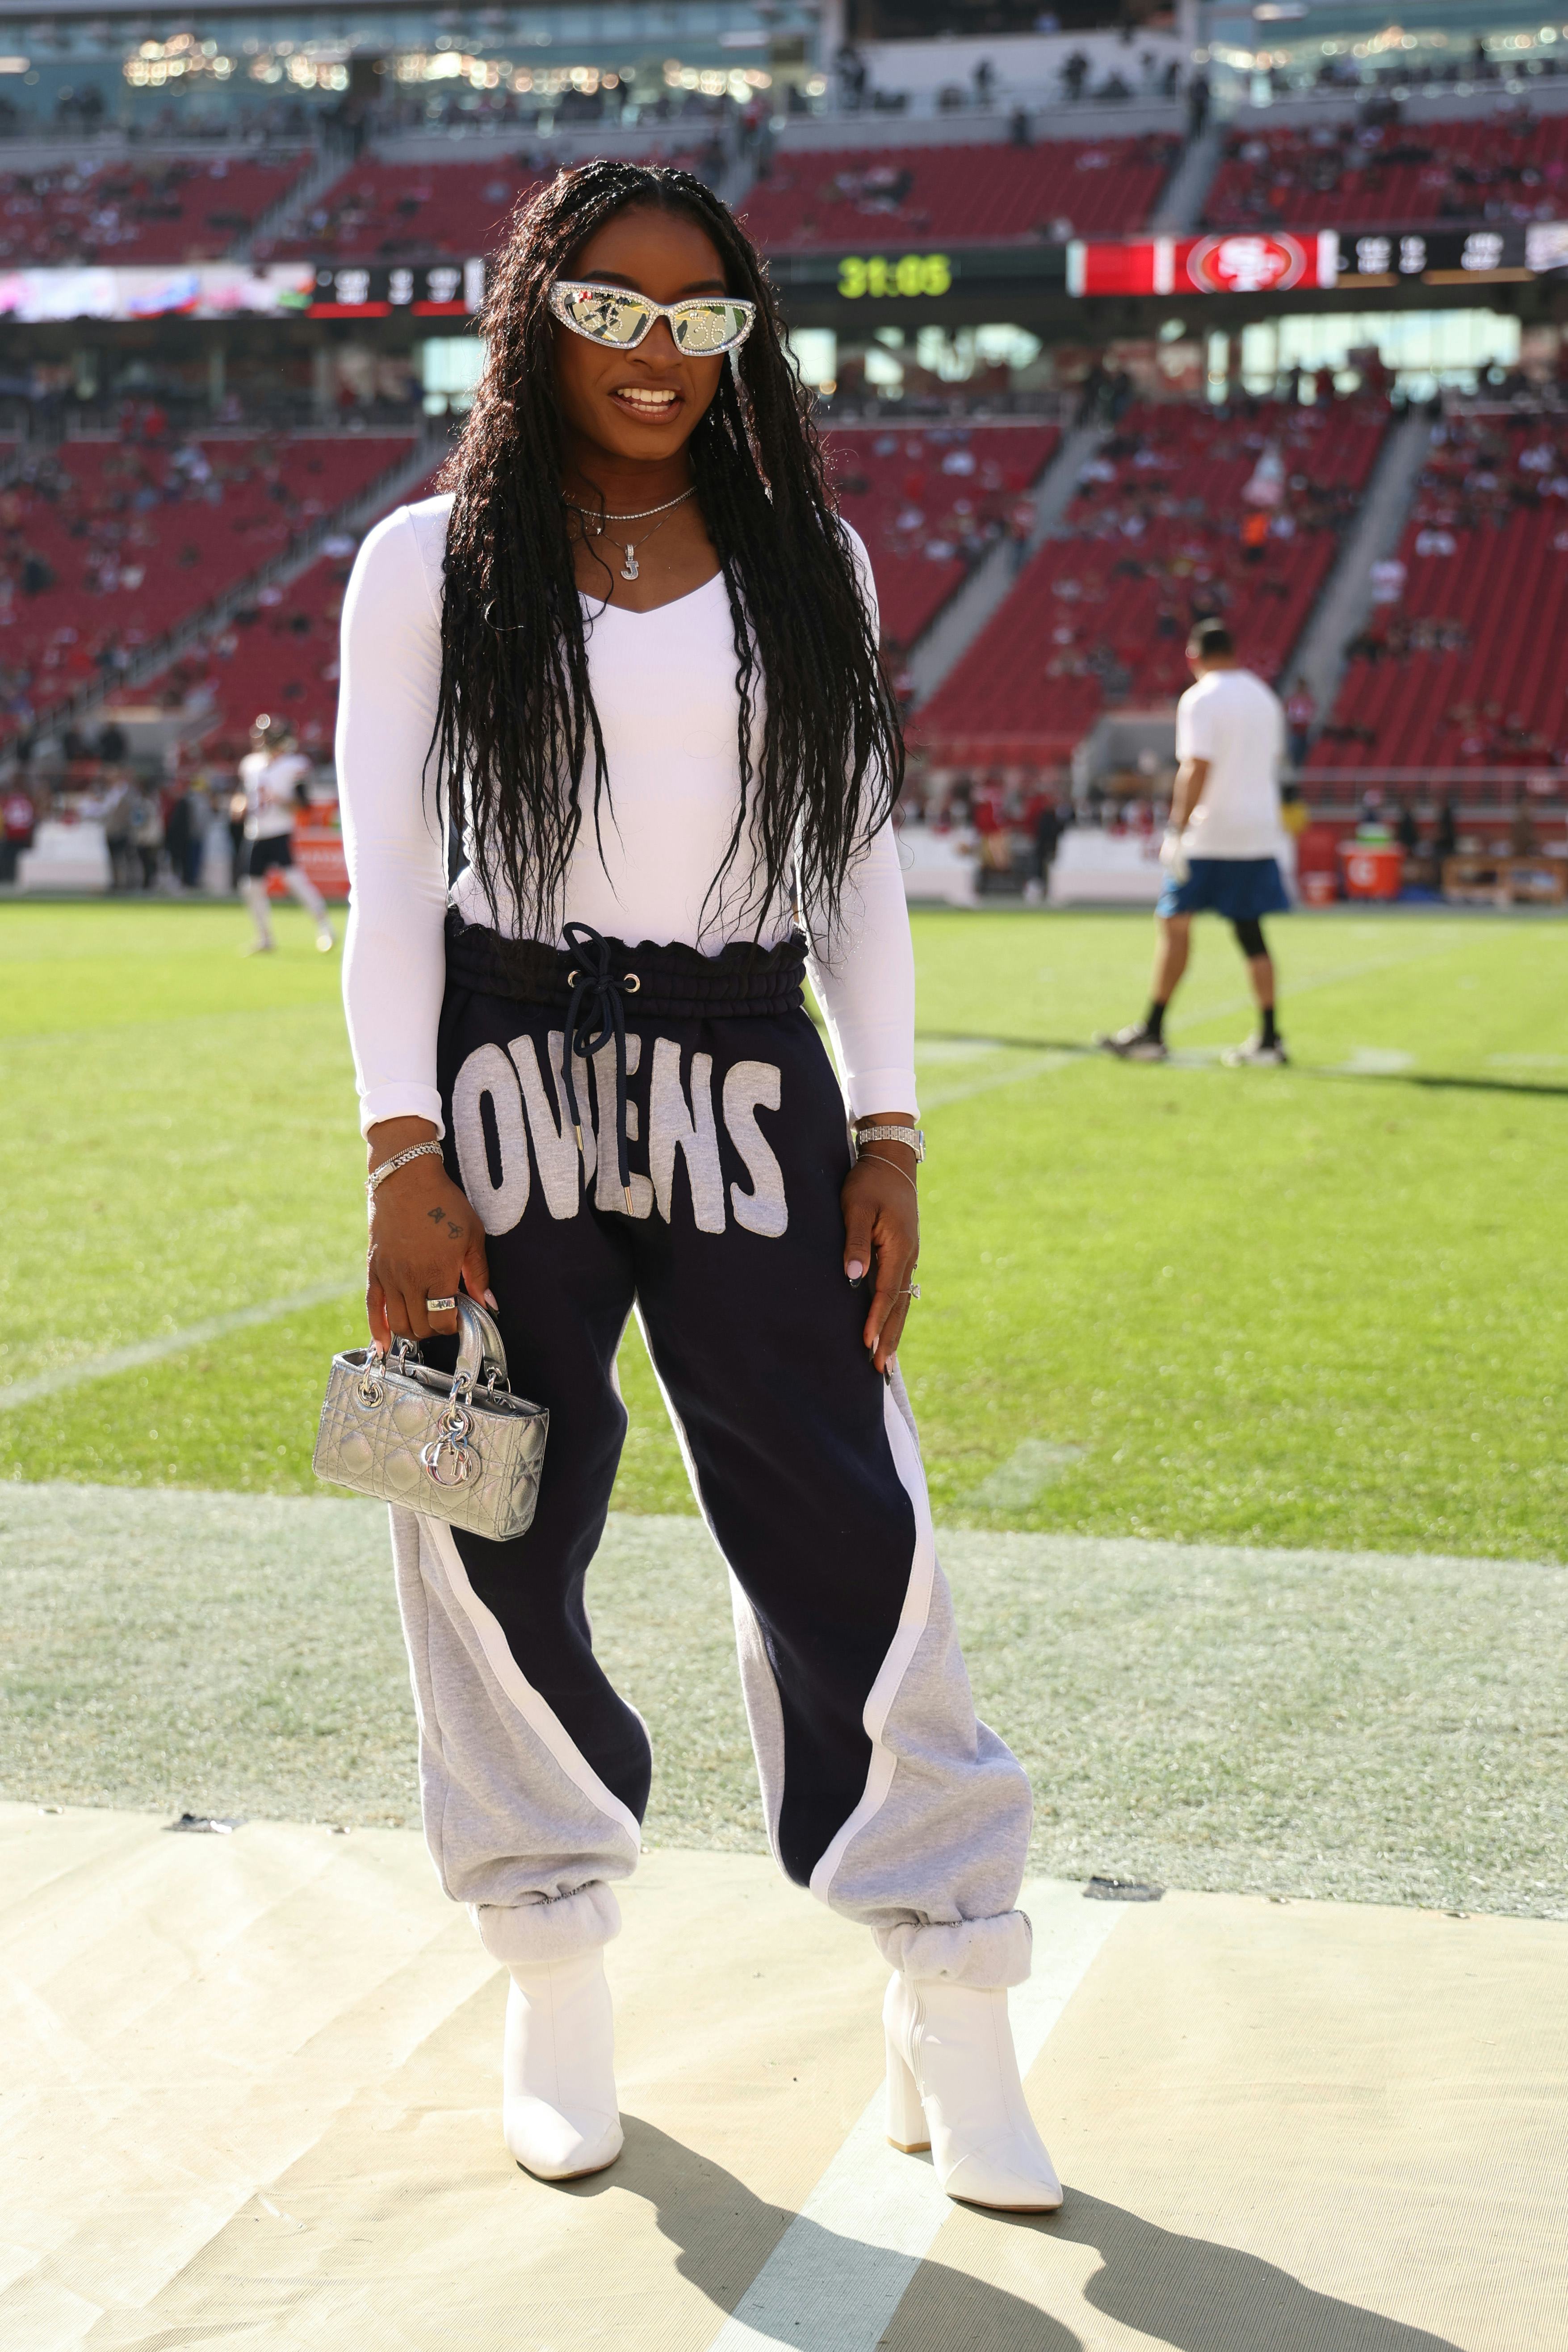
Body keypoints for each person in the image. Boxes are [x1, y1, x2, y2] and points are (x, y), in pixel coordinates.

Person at [336, 160, 1056, 2211]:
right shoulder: (423, 558)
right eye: (613, 308)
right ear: (537, 316)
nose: (657, 352)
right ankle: (551, 1966)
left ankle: (945, 1975)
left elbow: (856, 863)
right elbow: (389, 882)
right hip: (503, 1058)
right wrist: (399, 1145)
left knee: (846, 1510)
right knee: (479, 1498)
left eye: (700, 315)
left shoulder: (810, 554)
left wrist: (890, 1123)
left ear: (741, 338)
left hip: (750, 1055)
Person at [1096, 619, 1290, 1067]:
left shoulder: (1201, 698)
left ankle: (1153, 1031)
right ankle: (1269, 1038)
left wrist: (1177, 830)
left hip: (1211, 832)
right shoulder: (1265, 697)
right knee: (1250, 931)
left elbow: (1196, 768)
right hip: (1258, 829)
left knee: (1174, 922)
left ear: (1193, 657)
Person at [237, 714, 333, 954]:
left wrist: (283, 801)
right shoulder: (251, 764)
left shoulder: (294, 765)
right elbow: (244, 794)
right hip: (255, 832)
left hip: (280, 831)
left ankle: (326, 927)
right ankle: (265, 937)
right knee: (250, 886)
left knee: (294, 881)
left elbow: (304, 805)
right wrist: (238, 804)